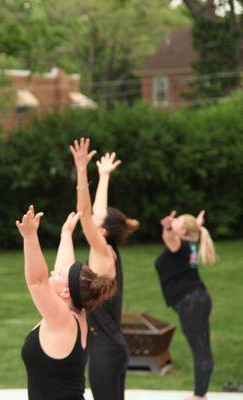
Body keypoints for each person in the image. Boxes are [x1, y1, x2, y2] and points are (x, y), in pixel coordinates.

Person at [17, 205, 116, 400]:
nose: (54, 272)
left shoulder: (62, 320)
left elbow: (37, 282)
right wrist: (66, 235)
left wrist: (30, 238)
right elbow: (64, 267)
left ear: (65, 292)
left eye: (59, 274)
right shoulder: (75, 312)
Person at [87, 152, 139, 400]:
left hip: (105, 351)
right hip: (113, 347)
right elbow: (97, 212)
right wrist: (104, 176)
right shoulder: (107, 249)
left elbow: (89, 213)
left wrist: (81, 176)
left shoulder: (102, 252)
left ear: (103, 230)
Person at [154, 209, 216, 400]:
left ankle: (199, 396)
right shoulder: (189, 244)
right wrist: (194, 223)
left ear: (182, 232)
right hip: (197, 299)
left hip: (191, 302)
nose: (174, 221)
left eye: (178, 221)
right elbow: (189, 232)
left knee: (200, 348)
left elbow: (170, 239)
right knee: (202, 346)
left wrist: (166, 227)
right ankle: (201, 393)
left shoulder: (179, 245)